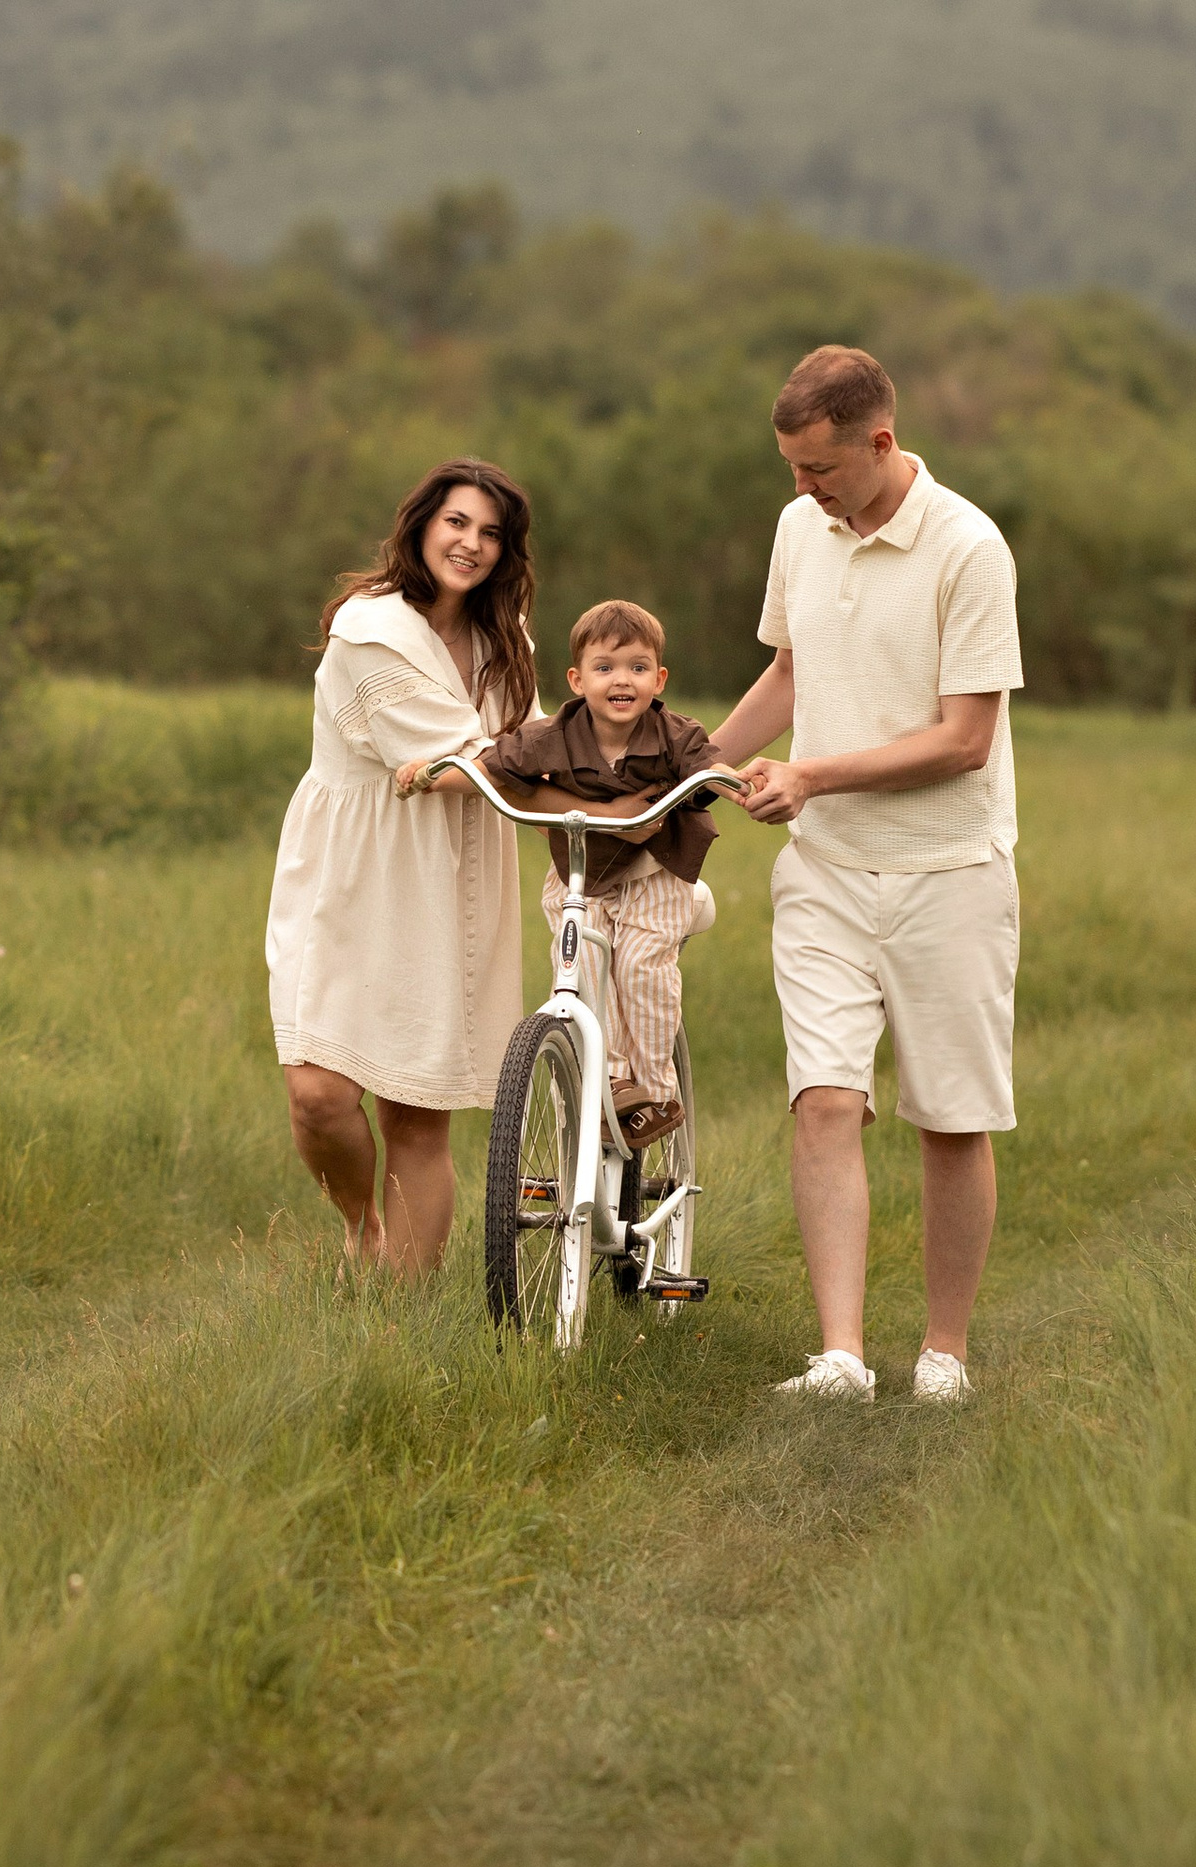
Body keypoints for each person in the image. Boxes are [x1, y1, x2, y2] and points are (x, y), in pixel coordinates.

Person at [713, 344, 1023, 1406]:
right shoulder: (800, 527)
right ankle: (840, 1357)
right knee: (824, 1102)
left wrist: (811, 775)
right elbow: (788, 673)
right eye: (792, 468)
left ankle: (944, 1353)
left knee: (951, 1119)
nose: (803, 489)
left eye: (820, 469)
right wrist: (685, 771)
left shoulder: (968, 547)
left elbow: (965, 741)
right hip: (825, 875)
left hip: (950, 873)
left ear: (880, 442)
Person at [266, 458, 538, 1272]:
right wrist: (556, 764)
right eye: (457, 522)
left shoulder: (505, 640)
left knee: (417, 1114)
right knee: (319, 1094)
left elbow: (525, 742)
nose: (471, 544)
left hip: (452, 873)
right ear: (421, 524)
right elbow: (475, 757)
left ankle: (399, 1321)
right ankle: (362, 1228)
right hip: (354, 870)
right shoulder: (368, 630)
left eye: (491, 533)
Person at [395, 595, 726, 1150]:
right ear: (577, 680)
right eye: (605, 667)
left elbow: (708, 766)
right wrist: (431, 774)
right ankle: (611, 1082)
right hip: (582, 873)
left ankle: (655, 1091)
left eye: (638, 667)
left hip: (655, 872)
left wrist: (733, 783)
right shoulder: (553, 734)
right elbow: (494, 767)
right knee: (581, 968)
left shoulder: (674, 733)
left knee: (641, 968)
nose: (622, 680)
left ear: (659, 678)